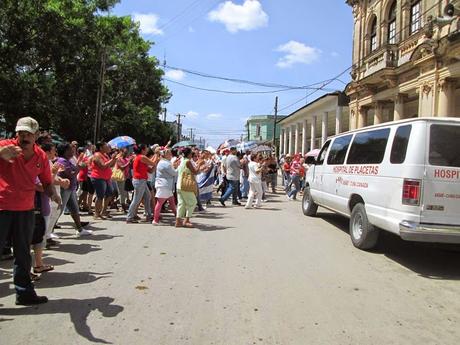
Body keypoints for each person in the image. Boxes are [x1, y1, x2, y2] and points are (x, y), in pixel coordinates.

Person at [0, 116, 61, 305]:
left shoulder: (40, 156)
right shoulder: (5, 146)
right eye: (20, 133)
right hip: (2, 207)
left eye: (28, 134)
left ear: (35, 135)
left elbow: (46, 182)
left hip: (25, 209)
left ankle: (24, 293)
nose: (23, 137)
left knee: (23, 253)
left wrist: (54, 195)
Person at [56, 143, 92, 236]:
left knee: (74, 209)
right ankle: (48, 232)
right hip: (65, 189)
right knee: (58, 210)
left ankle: (80, 229)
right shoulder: (62, 161)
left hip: (70, 188)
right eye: (70, 149)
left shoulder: (68, 160)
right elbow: (70, 174)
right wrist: (79, 168)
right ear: (65, 151)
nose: (72, 151)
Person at [126, 144, 159, 223]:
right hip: (139, 181)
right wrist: (156, 154)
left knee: (148, 196)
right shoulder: (141, 157)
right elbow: (153, 163)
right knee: (136, 200)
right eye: (146, 148)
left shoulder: (140, 158)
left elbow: (150, 170)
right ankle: (129, 217)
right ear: (143, 150)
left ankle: (149, 215)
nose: (147, 149)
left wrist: (156, 160)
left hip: (141, 181)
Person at [90, 142, 120, 219]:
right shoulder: (97, 155)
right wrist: (112, 159)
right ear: (101, 148)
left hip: (106, 178)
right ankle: (97, 213)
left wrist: (114, 159)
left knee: (110, 194)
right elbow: (103, 166)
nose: (108, 147)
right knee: (100, 196)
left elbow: (110, 165)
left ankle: (103, 211)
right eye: (106, 146)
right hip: (98, 178)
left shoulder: (105, 155)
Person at [153, 148, 179, 225]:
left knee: (172, 201)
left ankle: (177, 216)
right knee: (160, 202)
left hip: (165, 185)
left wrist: (175, 166)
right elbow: (174, 173)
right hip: (164, 185)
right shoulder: (165, 163)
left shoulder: (164, 162)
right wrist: (178, 167)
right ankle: (155, 220)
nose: (171, 154)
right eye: (169, 153)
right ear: (165, 155)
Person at [176, 147, 199, 228]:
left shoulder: (181, 160)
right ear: (189, 154)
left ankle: (178, 221)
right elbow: (195, 172)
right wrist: (200, 164)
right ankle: (186, 220)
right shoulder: (188, 161)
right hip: (185, 185)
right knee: (193, 202)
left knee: (181, 203)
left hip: (179, 184)